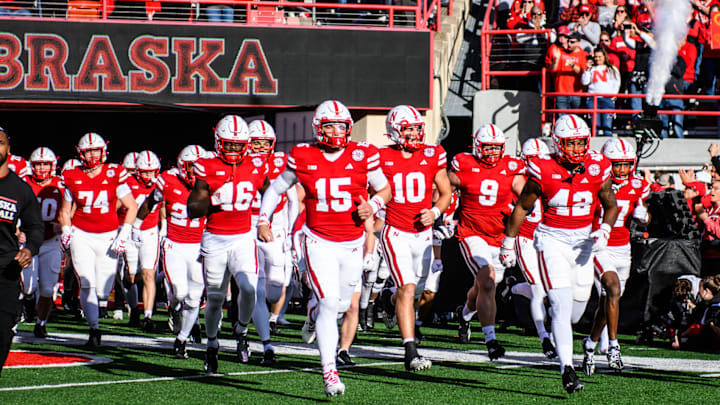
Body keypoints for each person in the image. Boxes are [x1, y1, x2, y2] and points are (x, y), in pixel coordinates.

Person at [258, 100, 392, 397]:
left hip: (353, 241)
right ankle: (329, 371)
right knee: (331, 303)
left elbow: (385, 189)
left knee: (342, 305)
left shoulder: (363, 153)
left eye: (340, 125)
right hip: (317, 238)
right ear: (319, 128)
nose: (335, 131)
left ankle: (312, 313)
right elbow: (277, 188)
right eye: (329, 125)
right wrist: (262, 220)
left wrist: (374, 205)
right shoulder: (303, 155)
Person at [501, 114, 618, 394]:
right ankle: (567, 368)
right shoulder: (543, 168)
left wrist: (604, 229)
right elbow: (522, 207)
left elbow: (610, 205)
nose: (577, 150)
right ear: (558, 143)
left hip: (583, 243)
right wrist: (508, 241)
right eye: (571, 144)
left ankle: (563, 342)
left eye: (581, 144)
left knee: (578, 308)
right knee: (561, 305)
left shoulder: (597, 165)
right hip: (551, 241)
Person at [187, 115, 268, 373]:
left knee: (249, 289)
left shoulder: (256, 164)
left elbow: (272, 191)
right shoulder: (206, 164)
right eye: (229, 145)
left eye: (237, 145)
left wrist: (264, 218)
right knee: (215, 299)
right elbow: (192, 208)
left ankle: (241, 331)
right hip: (215, 239)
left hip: (243, 237)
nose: (233, 150)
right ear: (218, 141)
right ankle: (212, 346)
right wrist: (213, 202)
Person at [376, 105, 451, 371]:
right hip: (395, 231)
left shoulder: (433, 153)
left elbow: (445, 193)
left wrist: (434, 211)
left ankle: (388, 299)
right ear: (395, 131)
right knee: (408, 288)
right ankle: (410, 350)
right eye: (408, 129)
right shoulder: (381, 157)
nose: (414, 134)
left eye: (417, 128)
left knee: (417, 291)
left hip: (422, 234)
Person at [449, 124, 526, 360]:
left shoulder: (511, 167)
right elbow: (446, 189)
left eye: (496, 147)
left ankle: (464, 314)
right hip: (471, 231)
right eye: (488, 147)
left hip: (499, 236)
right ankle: (491, 341)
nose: (492, 152)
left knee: (482, 288)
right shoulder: (464, 163)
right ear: (476, 145)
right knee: (489, 281)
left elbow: (526, 199)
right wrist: (443, 215)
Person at [59, 133, 139, 347]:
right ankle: (94, 329)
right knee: (86, 282)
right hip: (82, 234)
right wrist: (66, 229)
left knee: (103, 290)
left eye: (96, 150)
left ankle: (96, 315)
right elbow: (65, 210)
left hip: (108, 235)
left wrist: (124, 234)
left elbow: (131, 206)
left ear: (104, 151)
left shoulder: (115, 172)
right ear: (81, 152)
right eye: (89, 150)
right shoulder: (72, 174)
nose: (93, 154)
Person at [582, 138, 650, 376]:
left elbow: (645, 217)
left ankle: (590, 343)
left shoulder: (639, 185)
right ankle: (613, 345)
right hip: (600, 245)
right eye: (616, 164)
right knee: (611, 289)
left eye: (625, 164)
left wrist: (644, 217)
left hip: (623, 248)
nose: (621, 169)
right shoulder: (595, 182)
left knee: (610, 300)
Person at [136, 145, 207, 359]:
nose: (194, 172)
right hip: (174, 244)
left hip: (198, 246)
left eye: (198, 168)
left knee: (194, 298)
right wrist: (135, 225)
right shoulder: (168, 181)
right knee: (180, 291)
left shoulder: (213, 184)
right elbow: (150, 202)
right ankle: (174, 308)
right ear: (181, 166)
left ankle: (182, 339)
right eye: (190, 167)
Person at [247, 119, 298, 365]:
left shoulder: (280, 163)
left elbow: (293, 200)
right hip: (246, 229)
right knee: (254, 289)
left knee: (275, 289)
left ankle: (249, 322)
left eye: (265, 143)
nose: (260, 147)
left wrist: (290, 232)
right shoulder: (239, 163)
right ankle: (260, 340)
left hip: (275, 230)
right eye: (256, 142)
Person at [0, 127, 43, 375]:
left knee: (3, 334)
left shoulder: (20, 189)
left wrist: (30, 248)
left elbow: (35, 226)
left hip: (6, 271)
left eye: (0, 142)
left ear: (9, 149)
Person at [513, 138, 557, 359]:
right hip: (526, 239)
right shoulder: (516, 180)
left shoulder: (553, 176)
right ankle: (545, 338)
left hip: (548, 239)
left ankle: (511, 289)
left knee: (551, 289)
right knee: (539, 290)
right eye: (532, 160)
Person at [25, 147, 64, 338]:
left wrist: (64, 224)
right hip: (29, 241)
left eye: (45, 164)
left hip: (51, 241)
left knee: (48, 288)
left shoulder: (62, 185)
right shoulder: (23, 183)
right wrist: (17, 230)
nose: (41, 168)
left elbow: (72, 209)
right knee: (27, 286)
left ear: (53, 165)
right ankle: (28, 303)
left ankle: (41, 323)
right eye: (38, 164)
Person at [122, 150, 162, 332]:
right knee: (130, 277)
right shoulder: (127, 183)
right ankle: (134, 309)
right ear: (137, 171)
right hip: (130, 232)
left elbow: (164, 207)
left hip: (150, 232)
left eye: (152, 171)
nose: (149, 176)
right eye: (145, 172)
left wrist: (165, 228)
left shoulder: (161, 184)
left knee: (148, 274)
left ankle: (147, 316)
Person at [581, 47, 621, 136]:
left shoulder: (612, 69)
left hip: (607, 99)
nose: (597, 59)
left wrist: (614, 94)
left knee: (607, 125)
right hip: (593, 100)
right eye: (595, 57)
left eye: (599, 56)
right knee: (594, 126)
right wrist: (587, 69)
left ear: (604, 56)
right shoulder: (591, 69)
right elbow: (584, 82)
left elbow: (616, 82)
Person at [548, 32, 589, 116]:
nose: (569, 44)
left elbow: (583, 73)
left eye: (572, 42)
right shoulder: (561, 52)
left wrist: (573, 65)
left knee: (576, 120)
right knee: (563, 119)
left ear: (578, 43)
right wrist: (556, 59)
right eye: (568, 42)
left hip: (576, 93)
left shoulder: (583, 55)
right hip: (561, 92)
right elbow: (552, 70)